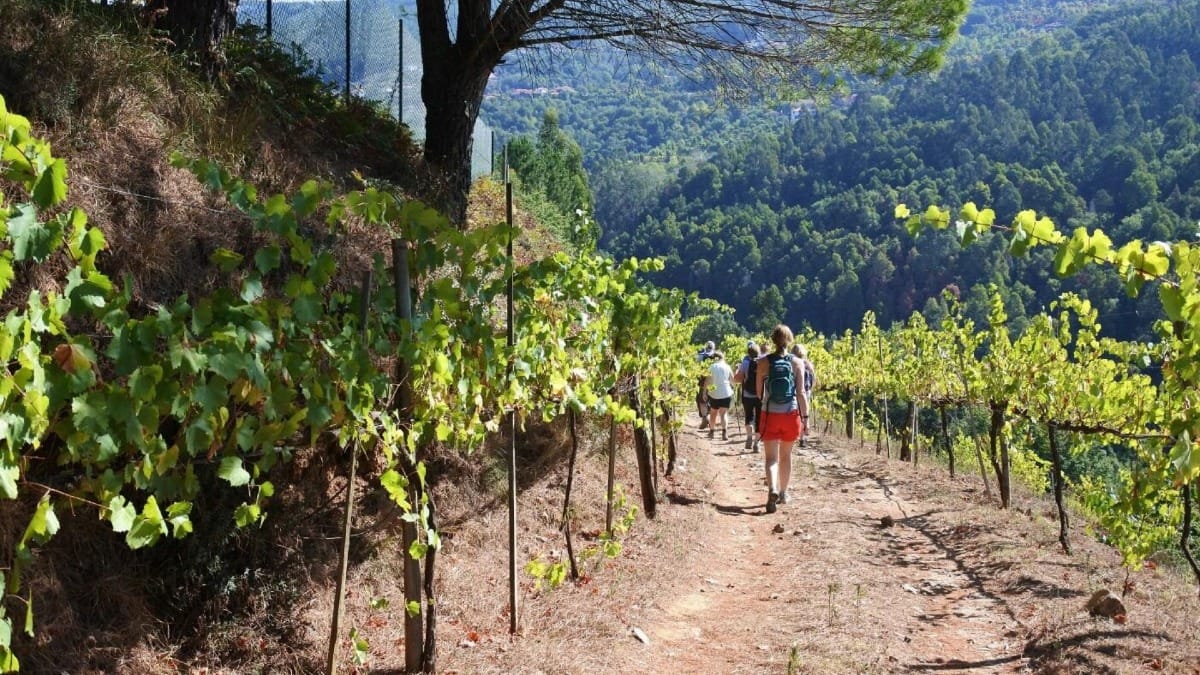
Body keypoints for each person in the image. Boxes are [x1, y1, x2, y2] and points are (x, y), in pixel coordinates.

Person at [756, 324, 808, 513]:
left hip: (769, 413)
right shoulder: (797, 363)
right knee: (786, 456)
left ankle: (772, 489)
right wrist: (806, 418)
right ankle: (784, 493)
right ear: (789, 339)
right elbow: (801, 393)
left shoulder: (762, 362)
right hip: (791, 414)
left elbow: (758, 393)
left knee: (771, 458)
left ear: (773, 339)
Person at [733, 340, 761, 452]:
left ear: (748, 353)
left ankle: (749, 437)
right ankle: (757, 443)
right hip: (760, 395)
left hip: (747, 394)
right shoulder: (763, 363)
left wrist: (737, 369)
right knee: (759, 419)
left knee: (749, 417)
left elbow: (737, 379)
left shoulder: (745, 363)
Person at [790, 344, 817, 445]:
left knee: (796, 412)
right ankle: (801, 438)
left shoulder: (793, 363)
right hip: (806, 391)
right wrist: (810, 390)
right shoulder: (808, 364)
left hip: (794, 391)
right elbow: (813, 379)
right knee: (803, 413)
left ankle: (794, 434)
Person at [706, 351, 735, 441]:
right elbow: (732, 380)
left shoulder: (711, 367)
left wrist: (704, 392)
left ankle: (711, 432)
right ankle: (724, 432)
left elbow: (707, 381)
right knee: (723, 414)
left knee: (713, 413)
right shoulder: (727, 366)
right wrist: (733, 388)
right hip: (726, 392)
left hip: (714, 393)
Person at [695, 341, 716, 428]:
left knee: (701, 400)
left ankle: (704, 418)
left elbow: (695, 368)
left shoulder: (700, 356)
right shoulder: (716, 356)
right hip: (714, 382)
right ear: (713, 347)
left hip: (702, 381)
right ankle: (712, 420)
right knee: (713, 400)